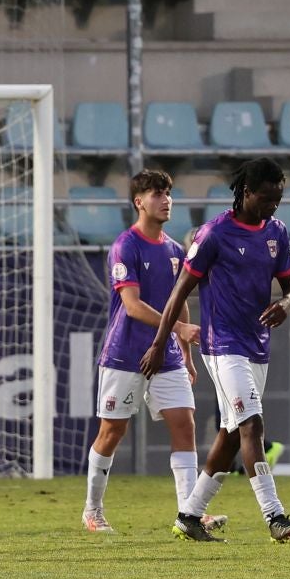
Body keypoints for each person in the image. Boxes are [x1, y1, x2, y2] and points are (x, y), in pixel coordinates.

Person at [141, 157, 290, 543]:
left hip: (257, 343)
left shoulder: (277, 232)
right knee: (252, 422)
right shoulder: (214, 234)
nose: (272, 207)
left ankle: (190, 516)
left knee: (231, 434)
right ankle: (275, 517)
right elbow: (179, 291)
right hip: (222, 344)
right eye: (266, 199)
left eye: (278, 200)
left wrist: (287, 303)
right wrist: (160, 341)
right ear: (246, 193)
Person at [82, 169, 225, 535]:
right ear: (139, 201)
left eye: (168, 193)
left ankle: (189, 512)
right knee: (112, 432)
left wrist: (185, 354)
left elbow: (179, 302)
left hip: (167, 356)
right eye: (158, 194)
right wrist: (178, 329)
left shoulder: (176, 250)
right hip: (126, 353)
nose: (166, 200)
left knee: (184, 424)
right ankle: (92, 511)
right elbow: (131, 305)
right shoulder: (125, 246)